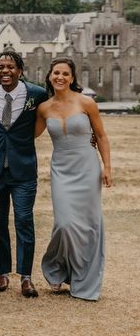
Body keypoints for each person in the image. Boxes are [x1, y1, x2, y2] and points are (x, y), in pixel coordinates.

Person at [35, 57, 112, 301]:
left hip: (87, 168)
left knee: (88, 226)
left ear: (72, 78)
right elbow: (27, 136)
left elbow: (100, 135)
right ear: (49, 76)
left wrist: (107, 166)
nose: (60, 77)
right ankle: (56, 269)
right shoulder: (44, 108)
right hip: (61, 170)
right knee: (64, 224)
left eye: (65, 74)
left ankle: (83, 278)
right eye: (56, 73)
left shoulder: (86, 103)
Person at [0, 51, 48, 298]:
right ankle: (2, 272)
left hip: (23, 169)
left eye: (10, 67)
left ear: (20, 70)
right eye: (0, 67)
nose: (5, 71)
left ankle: (26, 277)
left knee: (23, 220)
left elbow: (56, 112)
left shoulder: (37, 94)